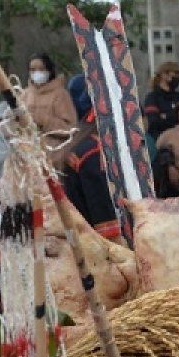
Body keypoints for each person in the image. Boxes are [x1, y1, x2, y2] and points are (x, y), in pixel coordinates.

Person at [61, 83, 121, 241]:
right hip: (94, 240)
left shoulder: (86, 146)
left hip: (80, 233)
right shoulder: (94, 153)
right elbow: (101, 209)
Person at [143, 61, 179, 140]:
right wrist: (176, 115)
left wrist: (166, 116)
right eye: (175, 74)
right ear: (164, 75)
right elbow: (154, 122)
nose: (178, 78)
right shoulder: (153, 97)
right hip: (160, 140)